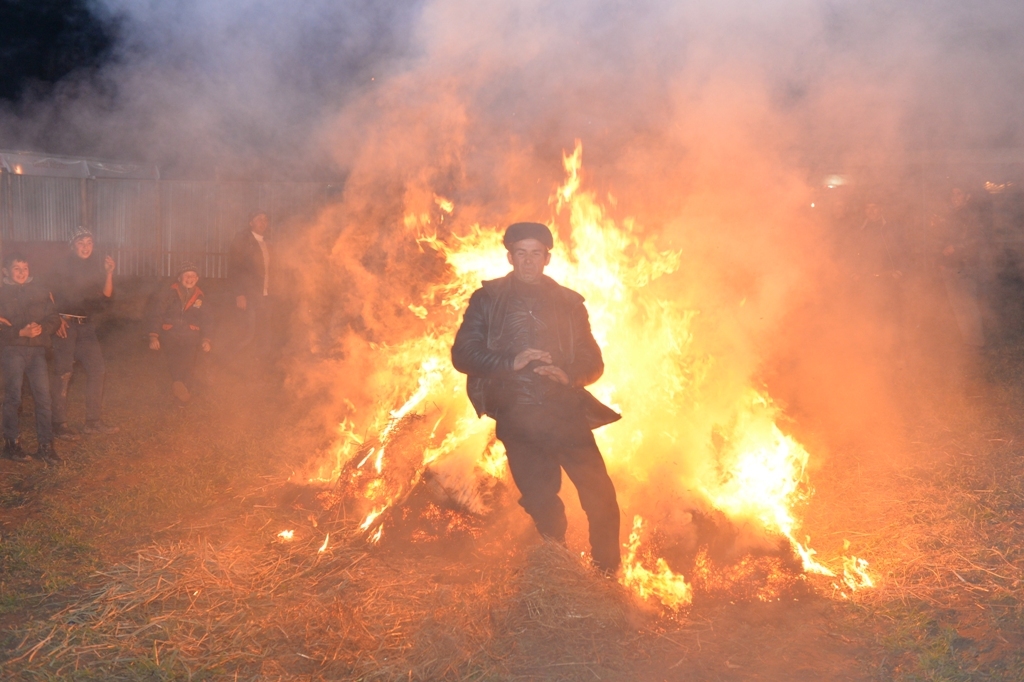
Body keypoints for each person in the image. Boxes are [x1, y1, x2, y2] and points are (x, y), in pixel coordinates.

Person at [451, 222, 622, 574]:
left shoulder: (569, 303)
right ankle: (558, 562)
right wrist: (509, 362)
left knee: (600, 496)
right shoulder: (487, 300)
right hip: (518, 416)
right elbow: (463, 355)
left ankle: (607, 573)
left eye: (535, 254)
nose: (528, 261)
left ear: (547, 258)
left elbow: (594, 361)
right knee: (542, 500)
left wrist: (568, 375)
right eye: (521, 254)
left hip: (565, 412)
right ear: (510, 257)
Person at [49, 227, 119, 437]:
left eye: (89, 243)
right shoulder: (61, 266)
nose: (85, 247)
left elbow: (105, 295)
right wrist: (56, 319)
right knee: (63, 373)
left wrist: (108, 272)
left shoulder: (93, 269)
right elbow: (48, 293)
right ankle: (59, 424)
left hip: (86, 327)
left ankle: (92, 422)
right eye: (81, 243)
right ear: (73, 246)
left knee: (97, 370)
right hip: (66, 325)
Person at [0, 253, 61, 464]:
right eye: (16, 268)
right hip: (12, 351)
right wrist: (19, 332)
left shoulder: (40, 291)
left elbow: (54, 318)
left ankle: (45, 446)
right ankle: (11, 445)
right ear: (5, 271)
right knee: (13, 398)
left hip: (37, 352)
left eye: (25, 268)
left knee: (44, 398)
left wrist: (43, 328)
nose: (21, 272)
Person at [148, 262, 213, 405]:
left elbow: (207, 319)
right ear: (179, 278)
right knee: (175, 362)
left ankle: (183, 394)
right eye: (186, 276)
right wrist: (154, 335)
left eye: (193, 276)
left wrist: (206, 339)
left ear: (197, 279)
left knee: (189, 364)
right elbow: (157, 314)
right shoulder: (169, 293)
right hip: (170, 333)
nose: (189, 279)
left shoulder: (200, 297)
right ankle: (179, 386)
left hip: (191, 336)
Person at [228, 210, 272, 359]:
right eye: (259, 219)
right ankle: (231, 360)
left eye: (265, 220)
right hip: (249, 294)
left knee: (264, 332)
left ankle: (258, 365)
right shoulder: (242, 239)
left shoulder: (267, 242)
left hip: (265, 294)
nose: (263, 222)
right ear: (251, 223)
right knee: (247, 332)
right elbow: (234, 268)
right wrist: (239, 293)